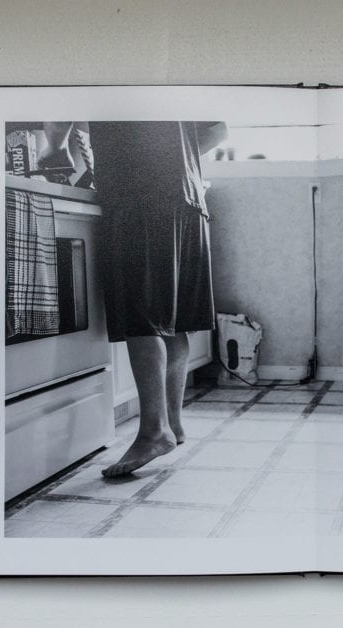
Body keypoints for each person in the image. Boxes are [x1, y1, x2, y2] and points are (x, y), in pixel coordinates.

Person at [85, 121, 227, 478]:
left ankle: (153, 431)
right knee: (172, 319)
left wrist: (53, 148)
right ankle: (173, 425)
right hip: (189, 198)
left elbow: (57, 128)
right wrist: (174, 157)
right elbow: (217, 129)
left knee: (142, 316)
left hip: (138, 196)